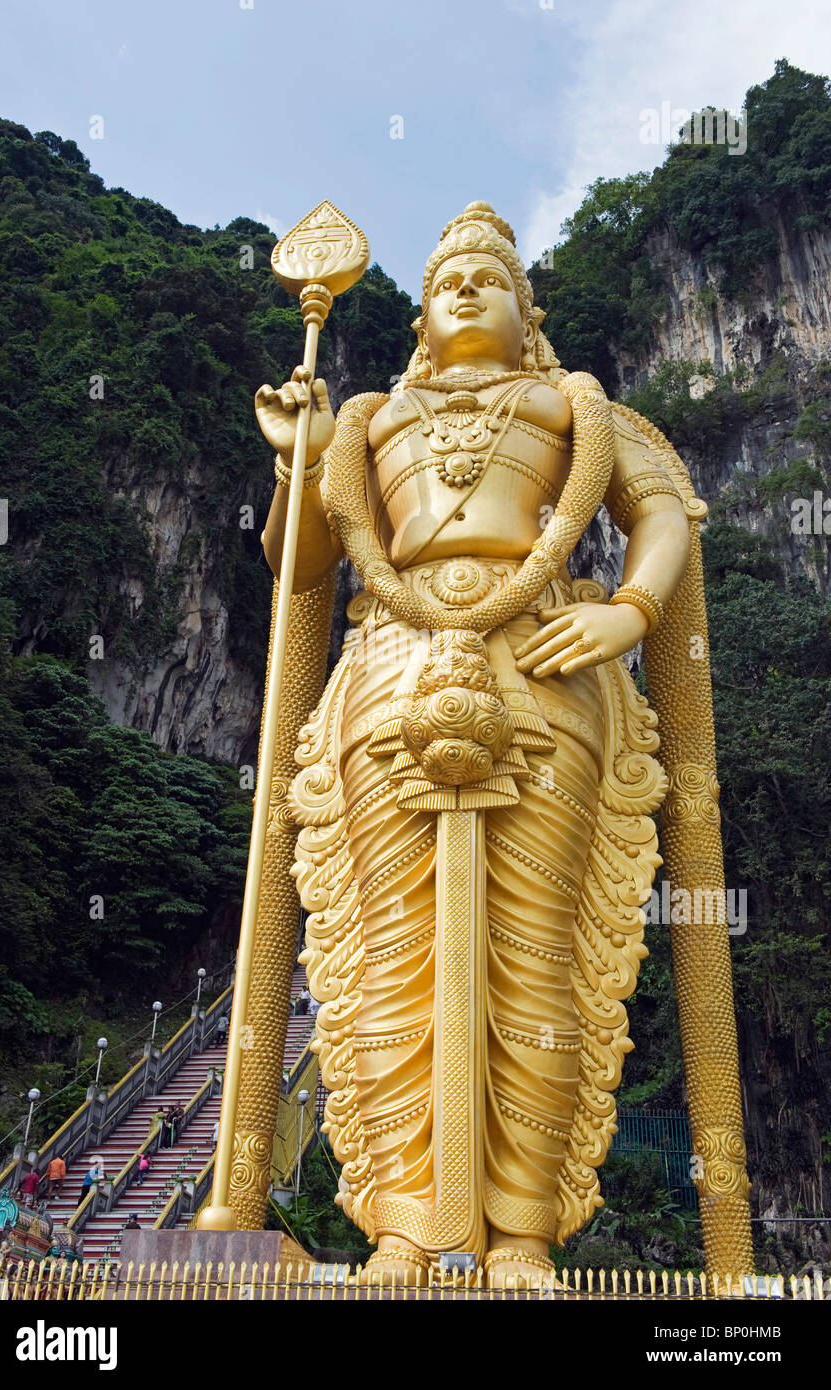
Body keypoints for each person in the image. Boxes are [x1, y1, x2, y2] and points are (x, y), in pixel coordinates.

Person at [257, 201, 720, 1286]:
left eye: (488, 279)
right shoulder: (367, 416)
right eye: (444, 281)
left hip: (545, 667)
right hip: (388, 674)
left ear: (529, 312)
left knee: (534, 953)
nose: (463, 290)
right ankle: (407, 1227)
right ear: (420, 319)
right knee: (388, 951)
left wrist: (632, 613)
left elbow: (662, 514)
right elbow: (301, 563)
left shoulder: (573, 406)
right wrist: (296, 462)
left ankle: (518, 1232)